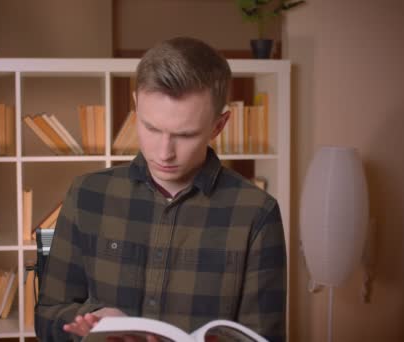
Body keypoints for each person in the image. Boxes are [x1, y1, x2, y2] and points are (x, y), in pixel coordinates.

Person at [35, 37, 286, 342]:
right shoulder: (86, 194)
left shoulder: (257, 214)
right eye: (151, 128)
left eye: (185, 134)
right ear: (136, 105)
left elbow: (266, 337)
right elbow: (48, 316)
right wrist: (93, 322)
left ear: (219, 126)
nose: (164, 152)